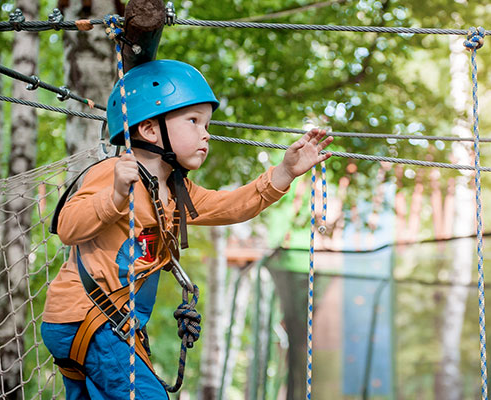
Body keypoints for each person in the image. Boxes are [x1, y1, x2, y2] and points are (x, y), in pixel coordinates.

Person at [40, 59, 332, 399]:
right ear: (150, 130)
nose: (205, 133)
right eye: (193, 121)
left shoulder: (179, 192)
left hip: (109, 324)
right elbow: (68, 228)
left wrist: (285, 172)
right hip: (88, 319)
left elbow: (234, 205)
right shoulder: (114, 173)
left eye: (206, 124)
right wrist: (116, 194)